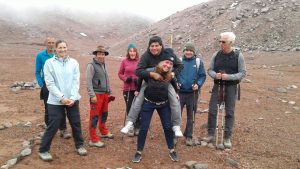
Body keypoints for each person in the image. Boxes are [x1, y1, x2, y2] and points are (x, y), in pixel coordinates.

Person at [121, 36, 184, 137]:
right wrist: (152, 74)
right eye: (152, 46)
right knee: (138, 100)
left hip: (166, 81)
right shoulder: (146, 56)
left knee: (175, 101)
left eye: (156, 45)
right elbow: (138, 71)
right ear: (149, 47)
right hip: (149, 81)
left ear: (161, 46)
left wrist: (172, 74)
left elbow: (180, 65)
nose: (154, 48)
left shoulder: (167, 53)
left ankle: (176, 126)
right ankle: (130, 123)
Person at [39, 40, 87, 161]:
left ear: (67, 48)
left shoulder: (74, 63)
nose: (62, 50)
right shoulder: (49, 63)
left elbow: (76, 81)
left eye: (64, 47)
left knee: (75, 123)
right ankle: (43, 150)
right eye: (60, 47)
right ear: (56, 49)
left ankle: (79, 145)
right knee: (54, 124)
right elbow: (49, 83)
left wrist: (72, 97)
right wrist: (61, 98)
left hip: (72, 99)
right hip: (55, 100)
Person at [202, 32, 246, 149]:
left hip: (231, 87)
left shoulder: (238, 56)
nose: (220, 43)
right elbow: (210, 70)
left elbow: (242, 73)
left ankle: (227, 137)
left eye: (223, 42)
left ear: (230, 43)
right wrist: (215, 75)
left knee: (230, 112)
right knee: (212, 110)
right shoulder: (216, 55)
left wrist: (229, 77)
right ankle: (211, 134)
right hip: (218, 86)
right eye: (220, 41)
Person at [132, 56, 178, 163]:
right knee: (144, 127)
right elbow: (140, 76)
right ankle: (139, 151)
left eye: (170, 64)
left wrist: (176, 93)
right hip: (149, 103)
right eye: (166, 63)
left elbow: (174, 82)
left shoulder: (169, 75)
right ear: (160, 62)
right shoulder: (150, 71)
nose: (168, 65)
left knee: (167, 127)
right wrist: (138, 89)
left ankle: (171, 149)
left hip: (163, 104)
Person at [35, 37, 71, 139]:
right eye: (49, 43)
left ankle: (63, 130)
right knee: (48, 108)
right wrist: (41, 84)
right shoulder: (40, 56)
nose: (51, 44)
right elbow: (37, 71)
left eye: (52, 43)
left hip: (60, 85)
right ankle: (49, 129)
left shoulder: (59, 55)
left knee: (62, 106)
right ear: (45, 44)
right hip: (47, 85)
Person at [177, 42, 206, 146]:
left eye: (190, 51)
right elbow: (175, 74)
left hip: (192, 93)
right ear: (184, 51)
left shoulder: (198, 62)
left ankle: (188, 135)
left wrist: (198, 84)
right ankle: (175, 134)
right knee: (176, 114)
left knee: (191, 115)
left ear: (193, 52)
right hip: (180, 93)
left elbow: (202, 75)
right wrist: (177, 82)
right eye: (186, 50)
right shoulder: (179, 62)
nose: (188, 52)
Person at [86, 45, 115, 148]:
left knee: (104, 114)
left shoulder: (103, 65)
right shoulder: (91, 65)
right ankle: (93, 139)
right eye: (99, 54)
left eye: (103, 54)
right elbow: (88, 81)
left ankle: (103, 131)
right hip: (96, 95)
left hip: (105, 94)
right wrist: (92, 95)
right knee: (94, 117)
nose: (101, 56)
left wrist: (110, 92)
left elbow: (106, 79)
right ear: (96, 54)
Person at [118, 43, 140, 136]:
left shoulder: (139, 61)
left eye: (133, 51)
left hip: (137, 88)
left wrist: (138, 81)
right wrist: (125, 79)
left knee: (137, 107)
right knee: (129, 107)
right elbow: (120, 73)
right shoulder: (124, 61)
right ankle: (130, 126)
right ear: (128, 52)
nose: (132, 53)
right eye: (130, 51)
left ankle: (138, 126)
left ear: (136, 52)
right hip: (127, 88)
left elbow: (143, 73)